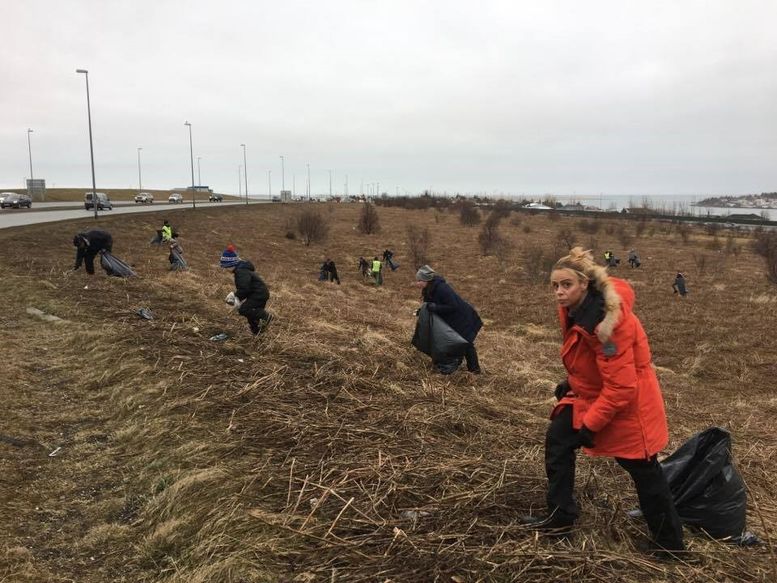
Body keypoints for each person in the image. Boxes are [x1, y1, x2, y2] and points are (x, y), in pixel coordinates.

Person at [523, 247, 684, 558]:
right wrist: (572, 382)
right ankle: (560, 519)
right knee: (558, 439)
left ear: (585, 284)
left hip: (629, 409)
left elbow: (622, 386)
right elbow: (591, 360)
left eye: (566, 285)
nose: (559, 292)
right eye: (554, 285)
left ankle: (671, 545)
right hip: (592, 397)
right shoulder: (574, 308)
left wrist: (591, 424)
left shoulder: (609, 324)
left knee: (644, 471)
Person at [415, 265, 482, 374]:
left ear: (426, 280)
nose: (416, 283)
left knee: (467, 343)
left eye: (419, 280)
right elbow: (430, 305)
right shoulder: (429, 289)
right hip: (453, 320)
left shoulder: (442, 288)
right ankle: (456, 364)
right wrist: (422, 311)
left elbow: (453, 306)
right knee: (460, 343)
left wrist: (435, 308)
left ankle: (475, 371)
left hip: (463, 319)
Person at [220, 244, 272, 335]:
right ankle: (257, 332)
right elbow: (245, 288)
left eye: (225, 267)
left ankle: (265, 317)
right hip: (257, 293)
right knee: (251, 314)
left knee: (244, 309)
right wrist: (237, 298)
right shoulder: (241, 270)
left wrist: (236, 297)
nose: (225, 269)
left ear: (231, 264)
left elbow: (244, 288)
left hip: (258, 294)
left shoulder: (241, 272)